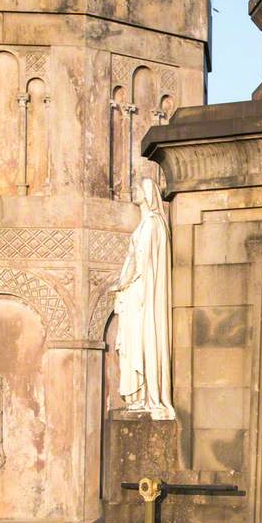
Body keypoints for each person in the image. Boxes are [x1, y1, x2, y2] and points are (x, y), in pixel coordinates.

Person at [113, 177, 175, 419]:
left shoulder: (151, 224)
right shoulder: (148, 224)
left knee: (138, 340)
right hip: (135, 292)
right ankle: (139, 396)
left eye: (137, 188)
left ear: (148, 194)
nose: (133, 191)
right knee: (131, 343)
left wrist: (123, 284)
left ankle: (146, 395)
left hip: (141, 295)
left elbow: (141, 265)